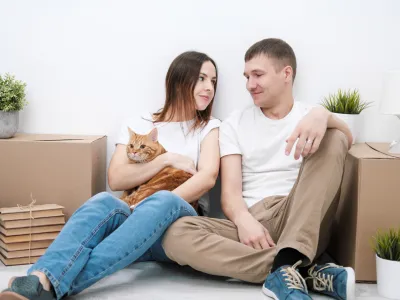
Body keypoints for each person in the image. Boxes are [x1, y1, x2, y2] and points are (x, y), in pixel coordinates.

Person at [0, 51, 221, 300]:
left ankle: (46, 285)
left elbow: (207, 177)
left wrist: (150, 207)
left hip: (179, 223)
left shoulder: (209, 127)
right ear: (179, 80)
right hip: (133, 222)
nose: (209, 88)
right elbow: (116, 179)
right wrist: (165, 159)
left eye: (213, 81)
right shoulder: (139, 122)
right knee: (102, 201)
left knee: (164, 200)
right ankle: (38, 280)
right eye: (202, 78)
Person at [162, 38, 356, 300]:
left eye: (258, 75)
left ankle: (287, 262)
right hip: (254, 222)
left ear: (286, 73)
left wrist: (324, 115)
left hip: (302, 214)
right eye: (246, 76)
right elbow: (230, 195)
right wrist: (244, 221)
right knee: (175, 234)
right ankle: (299, 269)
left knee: (335, 137)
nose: (249, 85)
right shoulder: (234, 123)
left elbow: (346, 141)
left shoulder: (311, 116)